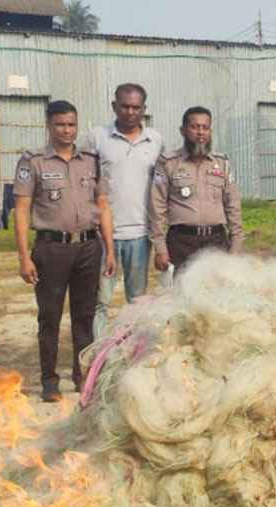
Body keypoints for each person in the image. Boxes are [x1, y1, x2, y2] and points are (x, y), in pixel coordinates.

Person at [12, 100, 116, 402]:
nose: (67, 130)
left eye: (71, 124)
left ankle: (82, 375)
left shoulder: (91, 161)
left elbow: (103, 206)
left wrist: (109, 249)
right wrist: (23, 257)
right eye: (60, 124)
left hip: (87, 247)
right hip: (51, 249)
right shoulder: (33, 162)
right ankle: (49, 381)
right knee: (50, 317)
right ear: (49, 125)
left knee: (84, 316)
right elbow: (21, 210)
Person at [84, 83, 164, 339]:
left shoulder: (155, 140)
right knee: (100, 302)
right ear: (114, 106)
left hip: (140, 236)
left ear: (144, 110)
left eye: (136, 107)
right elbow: (85, 182)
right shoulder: (97, 137)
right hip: (104, 236)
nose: (130, 112)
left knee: (137, 302)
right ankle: (98, 357)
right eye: (125, 106)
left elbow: (161, 189)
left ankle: (131, 354)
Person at [149, 106, 244, 275]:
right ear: (183, 130)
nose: (200, 132)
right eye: (194, 127)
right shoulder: (168, 163)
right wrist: (160, 248)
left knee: (217, 293)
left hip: (216, 241)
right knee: (181, 293)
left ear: (210, 131)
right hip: (181, 242)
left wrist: (236, 244)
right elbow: (157, 208)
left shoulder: (222, 163)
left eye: (205, 127)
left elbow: (233, 206)